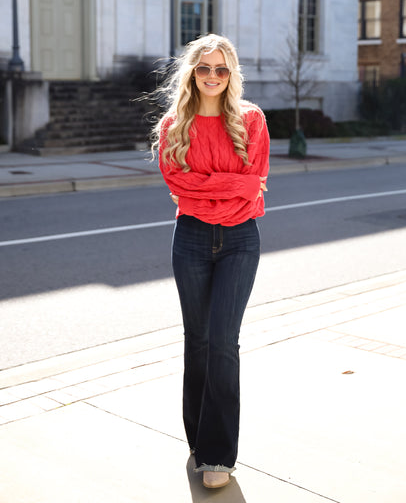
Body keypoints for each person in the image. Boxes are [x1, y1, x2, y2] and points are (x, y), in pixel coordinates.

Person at [153, 34, 270, 489]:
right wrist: (232, 186)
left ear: (232, 74)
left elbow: (254, 179)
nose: (213, 77)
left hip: (241, 239)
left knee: (223, 341)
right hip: (192, 239)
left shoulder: (251, 120)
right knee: (197, 340)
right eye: (205, 68)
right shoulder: (172, 126)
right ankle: (199, 440)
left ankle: (219, 455)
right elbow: (177, 183)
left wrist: (207, 186)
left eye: (222, 69)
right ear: (192, 73)